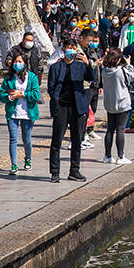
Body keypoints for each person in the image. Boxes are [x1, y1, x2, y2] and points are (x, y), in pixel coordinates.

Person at [45, 41, 91, 183]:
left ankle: (74, 170)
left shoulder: (80, 65)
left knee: (77, 140)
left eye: (74, 48)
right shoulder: (56, 66)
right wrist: (56, 101)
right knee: (56, 141)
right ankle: (55, 172)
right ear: (63, 50)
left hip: (78, 107)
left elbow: (91, 78)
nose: (72, 51)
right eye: (69, 48)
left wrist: (87, 63)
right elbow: (51, 87)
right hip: (62, 107)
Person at [0, 50, 41, 176]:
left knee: (26, 139)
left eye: (20, 61)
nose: (17, 64)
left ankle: (28, 159)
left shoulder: (32, 77)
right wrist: (10, 97)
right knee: (13, 139)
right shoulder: (9, 78)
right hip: (12, 113)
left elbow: (36, 95)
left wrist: (22, 94)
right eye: (16, 61)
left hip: (27, 114)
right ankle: (14, 164)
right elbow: (2, 95)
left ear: (25, 63)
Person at [99, 48, 134, 165]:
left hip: (110, 103)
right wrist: (129, 63)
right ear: (118, 59)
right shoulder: (121, 71)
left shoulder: (104, 71)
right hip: (122, 103)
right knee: (120, 129)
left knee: (110, 129)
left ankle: (107, 155)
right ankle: (121, 156)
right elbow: (133, 76)